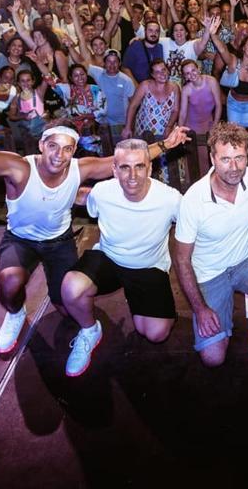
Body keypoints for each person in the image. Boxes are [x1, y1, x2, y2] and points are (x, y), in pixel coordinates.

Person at [0, 88, 188, 356]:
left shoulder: (80, 168)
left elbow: (126, 161)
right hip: (21, 240)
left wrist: (165, 144)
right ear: (42, 145)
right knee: (9, 281)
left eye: (67, 149)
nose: (59, 155)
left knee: (68, 306)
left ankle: (95, 319)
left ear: (74, 150)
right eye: (53, 146)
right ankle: (15, 314)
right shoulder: (19, 168)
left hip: (59, 242)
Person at [60, 139, 184, 377]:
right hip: (109, 259)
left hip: (148, 266)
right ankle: (89, 331)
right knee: (71, 287)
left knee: (155, 334)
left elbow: (194, 226)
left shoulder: (170, 199)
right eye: (124, 167)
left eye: (139, 166)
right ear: (114, 170)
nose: (133, 175)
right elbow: (88, 204)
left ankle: (146, 305)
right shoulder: (102, 192)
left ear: (149, 168)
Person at [173, 123, 248, 365]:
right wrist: (200, 309)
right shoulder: (193, 200)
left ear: (247, 156)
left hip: (246, 259)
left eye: (240, 158)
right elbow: (181, 260)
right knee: (213, 358)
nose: (234, 167)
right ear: (212, 158)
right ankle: (217, 314)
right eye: (226, 159)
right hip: (209, 273)